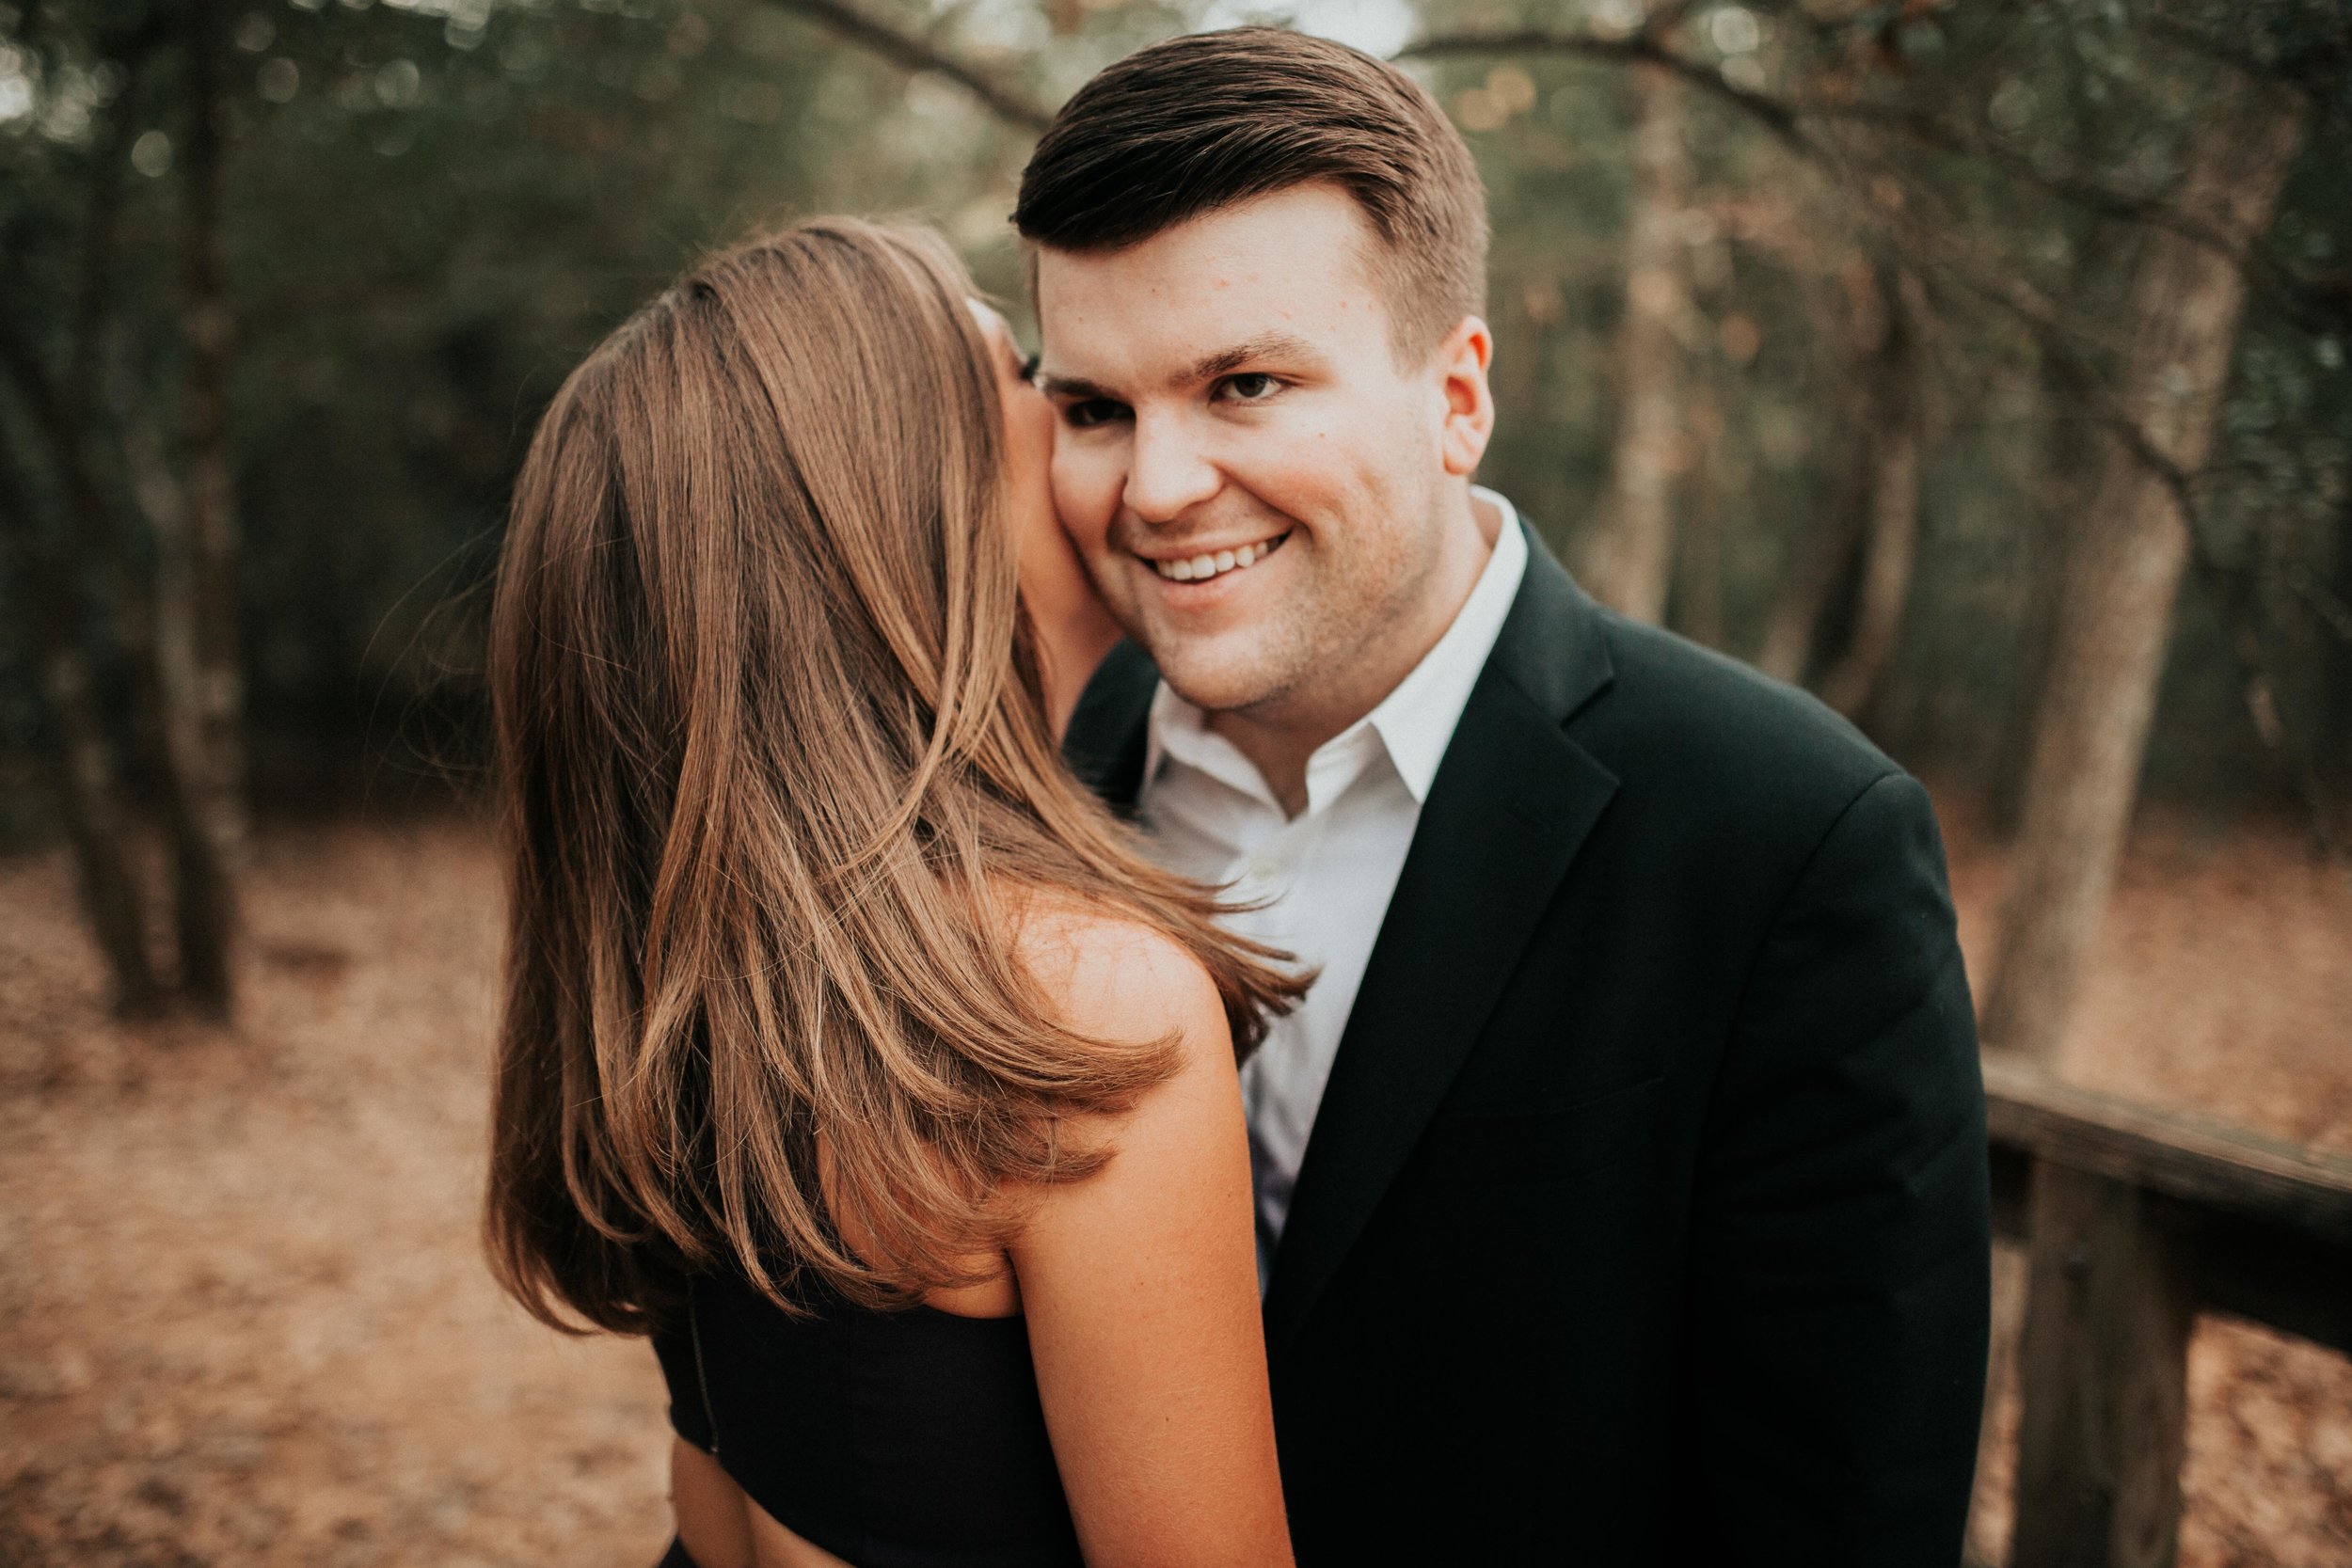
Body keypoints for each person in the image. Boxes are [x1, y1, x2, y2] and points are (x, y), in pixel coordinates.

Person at [1020, 28, 1994, 1564]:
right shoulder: (1042, 786)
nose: (1154, 486)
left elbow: (1845, 1511)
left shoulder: (1788, 838)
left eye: (1247, 383)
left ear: (1457, 394)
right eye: (1093, 409)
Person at [482, 218, 1307, 1568]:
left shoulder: (716, 976)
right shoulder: (1078, 1008)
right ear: (908, 510)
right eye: (1033, 380)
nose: (1104, 439)